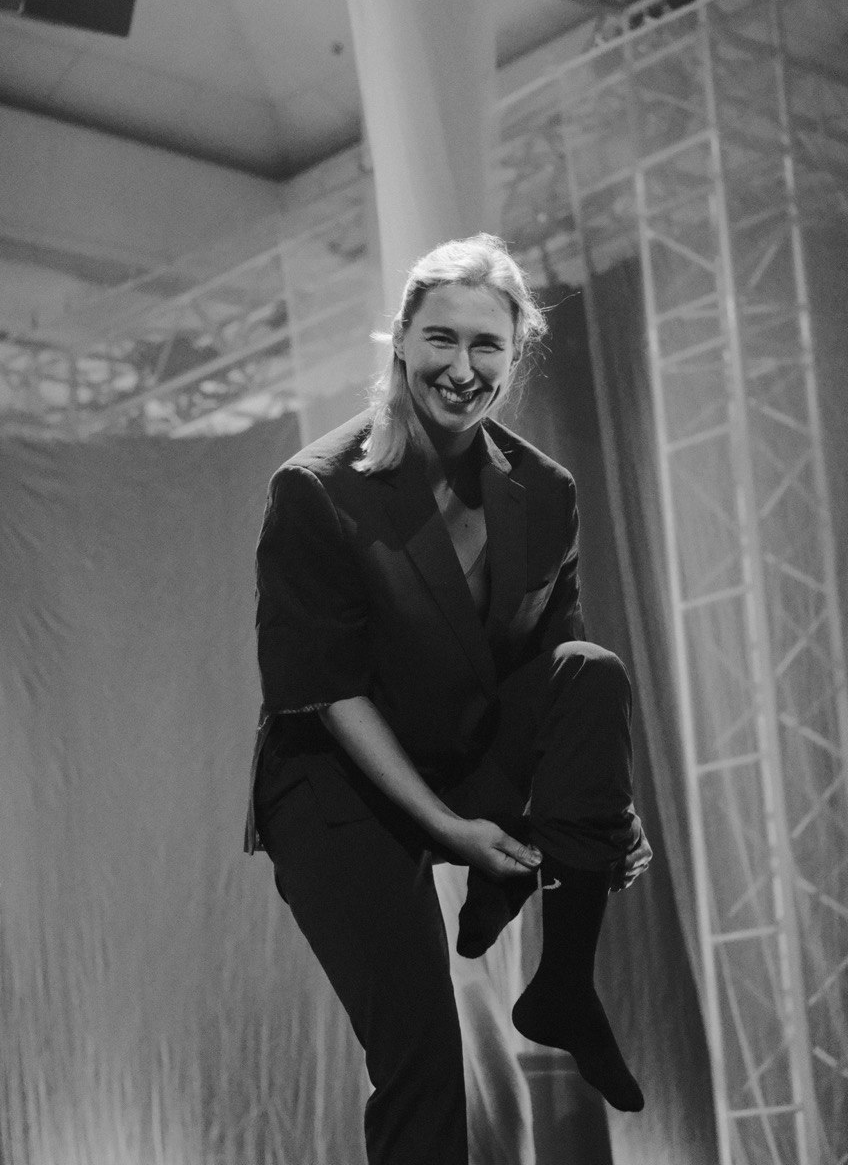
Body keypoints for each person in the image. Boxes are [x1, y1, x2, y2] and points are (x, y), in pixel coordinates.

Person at [245, 233, 652, 1165]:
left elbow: (558, 663)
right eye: (440, 339)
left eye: (485, 346)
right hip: (338, 784)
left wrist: (605, 809)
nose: (462, 368)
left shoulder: (544, 490)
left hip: (464, 755)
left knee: (593, 669)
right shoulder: (317, 489)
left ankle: (563, 987)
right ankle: (493, 886)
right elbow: (327, 691)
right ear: (400, 340)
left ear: (514, 355)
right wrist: (448, 829)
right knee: (424, 1059)